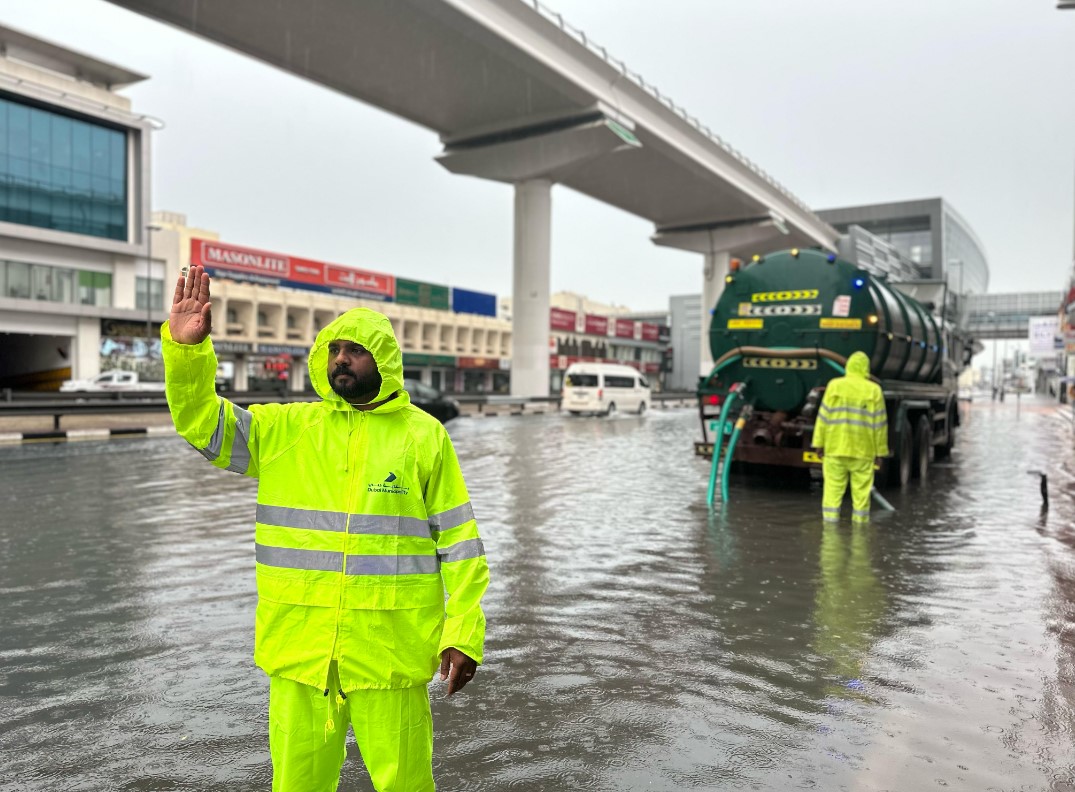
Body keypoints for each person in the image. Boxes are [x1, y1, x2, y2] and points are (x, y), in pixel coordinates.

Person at [162, 265, 489, 792]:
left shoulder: (424, 438)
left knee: (405, 783)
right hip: (300, 654)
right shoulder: (287, 429)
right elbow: (204, 423)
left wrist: (463, 633)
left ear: (382, 359)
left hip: (391, 652)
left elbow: (461, 545)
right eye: (334, 349)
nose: (341, 358)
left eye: (355, 350)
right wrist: (186, 353)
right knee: (296, 785)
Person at [812, 351, 888, 523]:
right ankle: (860, 535)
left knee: (832, 493)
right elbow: (880, 426)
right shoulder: (874, 390)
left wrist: (818, 444)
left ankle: (830, 532)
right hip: (863, 452)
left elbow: (823, 417)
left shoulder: (834, 386)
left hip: (835, 449)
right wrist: (880, 453)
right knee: (861, 496)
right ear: (866, 369)